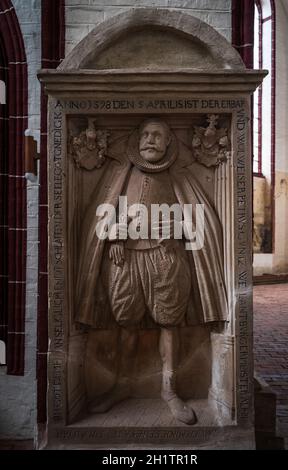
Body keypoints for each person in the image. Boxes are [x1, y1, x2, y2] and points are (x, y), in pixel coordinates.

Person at [76, 118, 228, 425]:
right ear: (136, 140)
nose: (150, 140)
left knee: (169, 323)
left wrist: (171, 226)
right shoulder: (120, 174)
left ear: (170, 141)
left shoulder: (180, 178)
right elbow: (101, 219)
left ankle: (169, 389)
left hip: (166, 258)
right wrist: (117, 235)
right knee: (126, 323)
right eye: (145, 134)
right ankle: (121, 384)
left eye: (158, 135)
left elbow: (198, 225)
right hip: (126, 261)